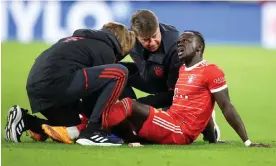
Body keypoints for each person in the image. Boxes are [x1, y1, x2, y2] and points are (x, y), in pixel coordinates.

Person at [102, 30, 270, 147]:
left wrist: (247, 142)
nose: (180, 45)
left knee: (130, 105)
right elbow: (203, 109)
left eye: (186, 41)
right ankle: (128, 138)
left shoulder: (211, 71)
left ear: (199, 47)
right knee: (126, 116)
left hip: (180, 130)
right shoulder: (182, 70)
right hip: (170, 120)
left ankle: (93, 130)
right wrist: (212, 139)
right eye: (179, 42)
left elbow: (226, 107)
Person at [4, 22, 136, 146]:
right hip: (57, 84)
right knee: (120, 72)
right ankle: (93, 132)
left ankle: (26, 120)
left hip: (38, 88)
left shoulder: (78, 41)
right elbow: (94, 99)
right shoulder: (105, 49)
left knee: (72, 129)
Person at [119, 9, 220, 142]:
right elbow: (111, 58)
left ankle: (209, 125)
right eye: (146, 40)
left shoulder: (176, 45)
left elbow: (173, 95)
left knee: (170, 124)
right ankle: (130, 120)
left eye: (155, 36)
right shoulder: (129, 37)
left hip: (174, 89)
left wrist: (138, 105)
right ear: (136, 36)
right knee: (118, 72)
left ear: (158, 27)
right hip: (148, 76)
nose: (153, 42)